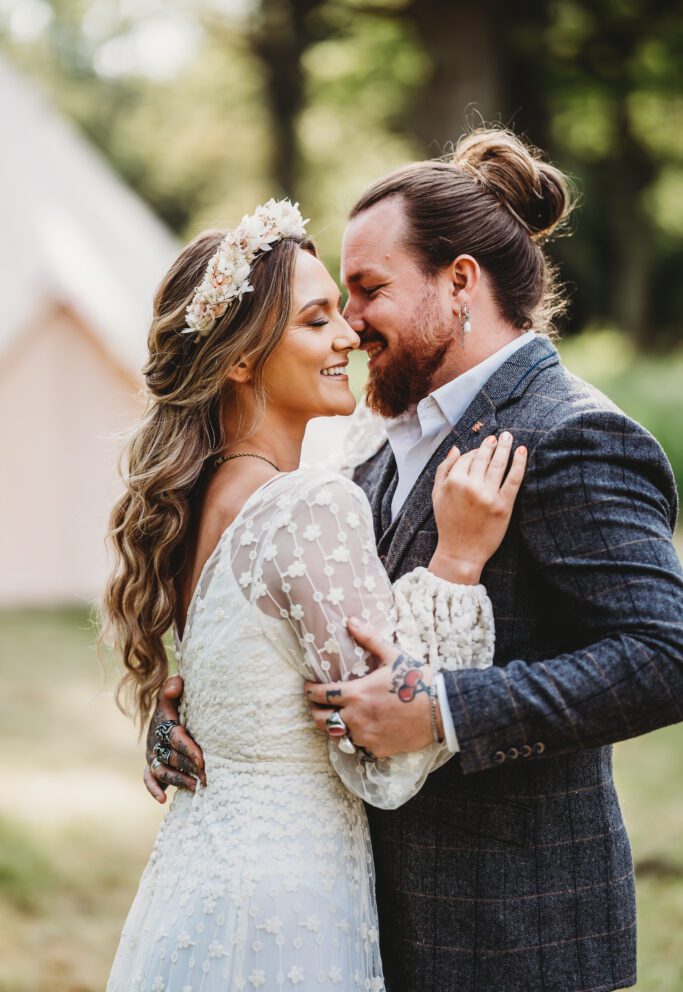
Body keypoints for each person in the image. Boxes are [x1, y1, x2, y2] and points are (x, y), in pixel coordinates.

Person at [148, 129, 683, 992]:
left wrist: (443, 710)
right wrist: (206, 707)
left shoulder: (574, 433)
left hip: (508, 937)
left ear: (460, 282)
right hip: (353, 917)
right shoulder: (360, 446)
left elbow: (664, 657)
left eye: (367, 291)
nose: (351, 326)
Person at [102, 197, 527, 992]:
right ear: (237, 360)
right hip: (285, 905)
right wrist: (458, 565)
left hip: (194, 889)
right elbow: (386, 763)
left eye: (344, 309)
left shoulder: (198, 504)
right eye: (315, 320)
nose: (347, 337)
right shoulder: (308, 506)